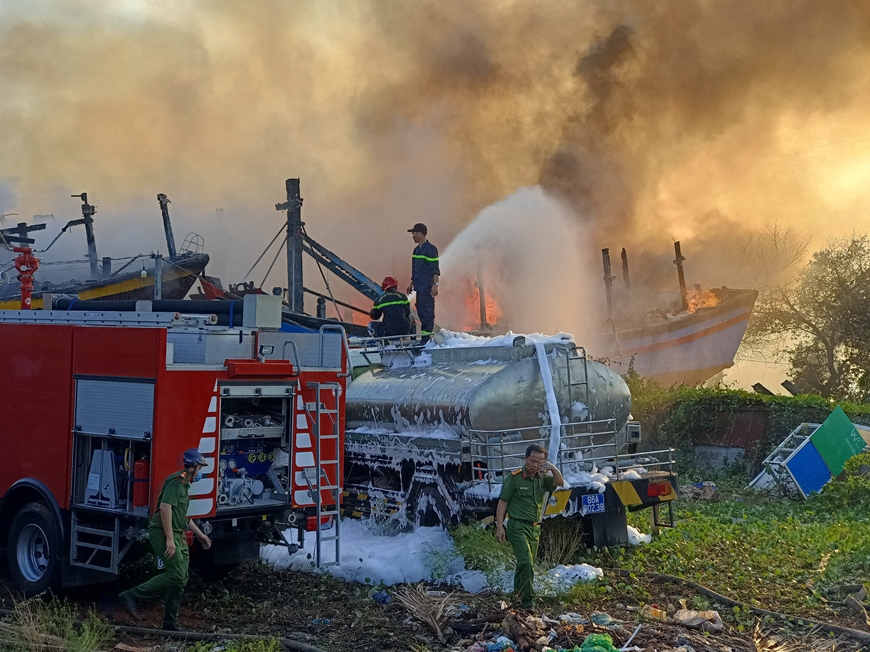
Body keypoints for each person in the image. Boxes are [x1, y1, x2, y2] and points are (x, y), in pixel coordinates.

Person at [113, 448, 212, 631]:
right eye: (200, 467)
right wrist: (169, 539)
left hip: (178, 533)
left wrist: (201, 535)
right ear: (193, 467)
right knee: (175, 574)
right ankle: (130, 596)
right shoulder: (176, 481)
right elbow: (165, 508)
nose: (201, 472)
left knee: (181, 578)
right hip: (163, 533)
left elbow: (183, 517)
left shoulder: (184, 484)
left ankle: (170, 623)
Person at [495, 444, 565, 610]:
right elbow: (503, 502)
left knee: (525, 564)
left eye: (539, 462)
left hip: (535, 528)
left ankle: (517, 597)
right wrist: (499, 527)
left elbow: (560, 482)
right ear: (525, 459)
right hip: (517, 525)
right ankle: (528, 603)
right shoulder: (515, 478)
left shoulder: (543, 478)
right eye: (532, 461)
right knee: (526, 562)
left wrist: (552, 468)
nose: (534, 465)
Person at [406, 223, 439, 344]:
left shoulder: (430, 249)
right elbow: (415, 269)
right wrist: (411, 283)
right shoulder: (416, 250)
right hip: (419, 286)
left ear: (420, 233)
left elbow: (435, 269)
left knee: (427, 311)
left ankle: (427, 339)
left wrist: (435, 285)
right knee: (420, 309)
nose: (412, 236)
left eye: (413, 233)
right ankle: (425, 336)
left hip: (427, 286)